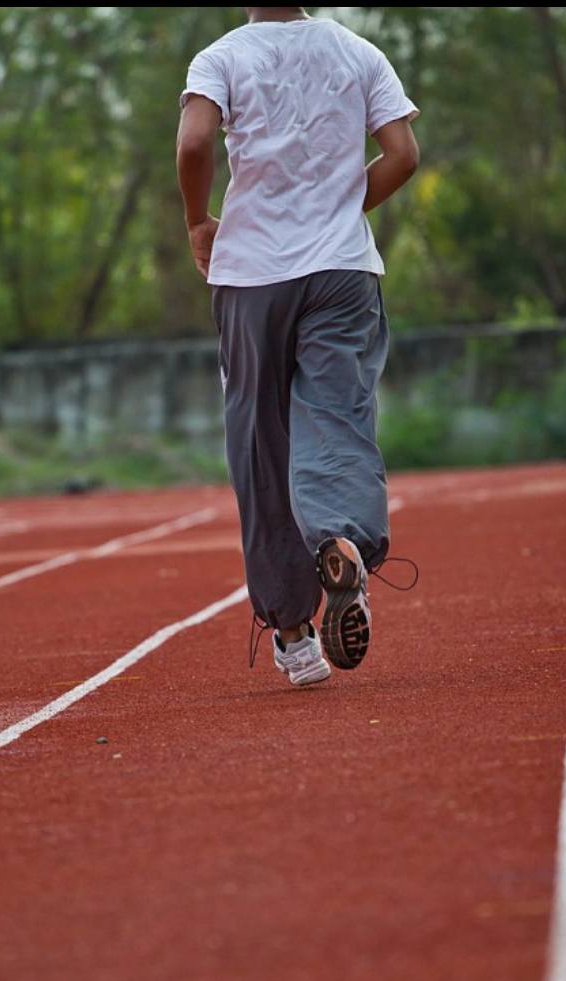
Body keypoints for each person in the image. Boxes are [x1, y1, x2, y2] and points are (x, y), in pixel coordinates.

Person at [176, 7, 420, 686]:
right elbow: (403, 155)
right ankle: (340, 538)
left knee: (260, 438)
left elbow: (194, 143)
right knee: (335, 415)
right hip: (341, 273)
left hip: (252, 274)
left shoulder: (221, 57)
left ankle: (293, 633)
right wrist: (338, 209)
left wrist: (199, 221)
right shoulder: (359, 52)